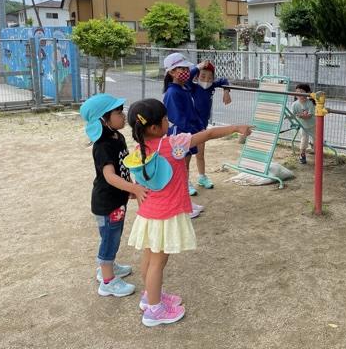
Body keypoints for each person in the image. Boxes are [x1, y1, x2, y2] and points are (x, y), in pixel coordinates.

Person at [124, 98, 252, 326]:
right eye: (165, 119)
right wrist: (235, 128)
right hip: (165, 215)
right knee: (158, 263)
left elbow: (141, 183)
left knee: (149, 258)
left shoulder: (139, 150)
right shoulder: (175, 144)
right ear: (153, 127)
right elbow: (208, 134)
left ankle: (149, 296)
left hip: (149, 215)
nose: (168, 121)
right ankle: (154, 310)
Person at [80, 93, 149, 298]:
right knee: (110, 239)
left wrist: (128, 188)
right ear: (103, 120)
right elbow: (109, 176)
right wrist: (134, 188)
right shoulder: (102, 146)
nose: (123, 115)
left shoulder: (117, 137)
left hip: (117, 199)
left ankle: (108, 267)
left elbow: (122, 167)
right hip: (107, 202)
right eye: (118, 112)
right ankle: (107, 281)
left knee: (112, 236)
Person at [162, 52, 205, 201]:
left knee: (186, 163)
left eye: (187, 69)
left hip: (188, 133)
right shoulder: (173, 92)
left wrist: (199, 127)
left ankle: (185, 190)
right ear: (172, 72)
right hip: (180, 135)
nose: (186, 71)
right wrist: (195, 132)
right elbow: (178, 119)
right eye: (182, 69)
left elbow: (191, 112)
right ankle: (183, 191)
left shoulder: (183, 88)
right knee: (181, 166)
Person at [191, 60, 232, 189]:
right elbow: (187, 78)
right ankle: (185, 182)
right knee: (185, 156)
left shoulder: (211, 86)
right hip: (189, 127)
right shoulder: (193, 87)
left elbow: (224, 80)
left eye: (210, 78)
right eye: (203, 76)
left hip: (202, 127)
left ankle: (202, 177)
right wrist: (197, 67)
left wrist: (226, 91)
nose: (206, 80)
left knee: (200, 154)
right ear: (197, 77)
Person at [291, 83, 316, 164]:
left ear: (307, 93)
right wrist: (292, 118)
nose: (299, 93)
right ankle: (302, 155)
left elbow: (309, 116)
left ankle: (316, 149)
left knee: (316, 139)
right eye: (297, 91)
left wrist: (301, 116)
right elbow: (292, 115)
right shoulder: (295, 104)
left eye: (301, 92)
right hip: (302, 126)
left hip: (313, 124)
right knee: (304, 139)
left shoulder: (310, 103)